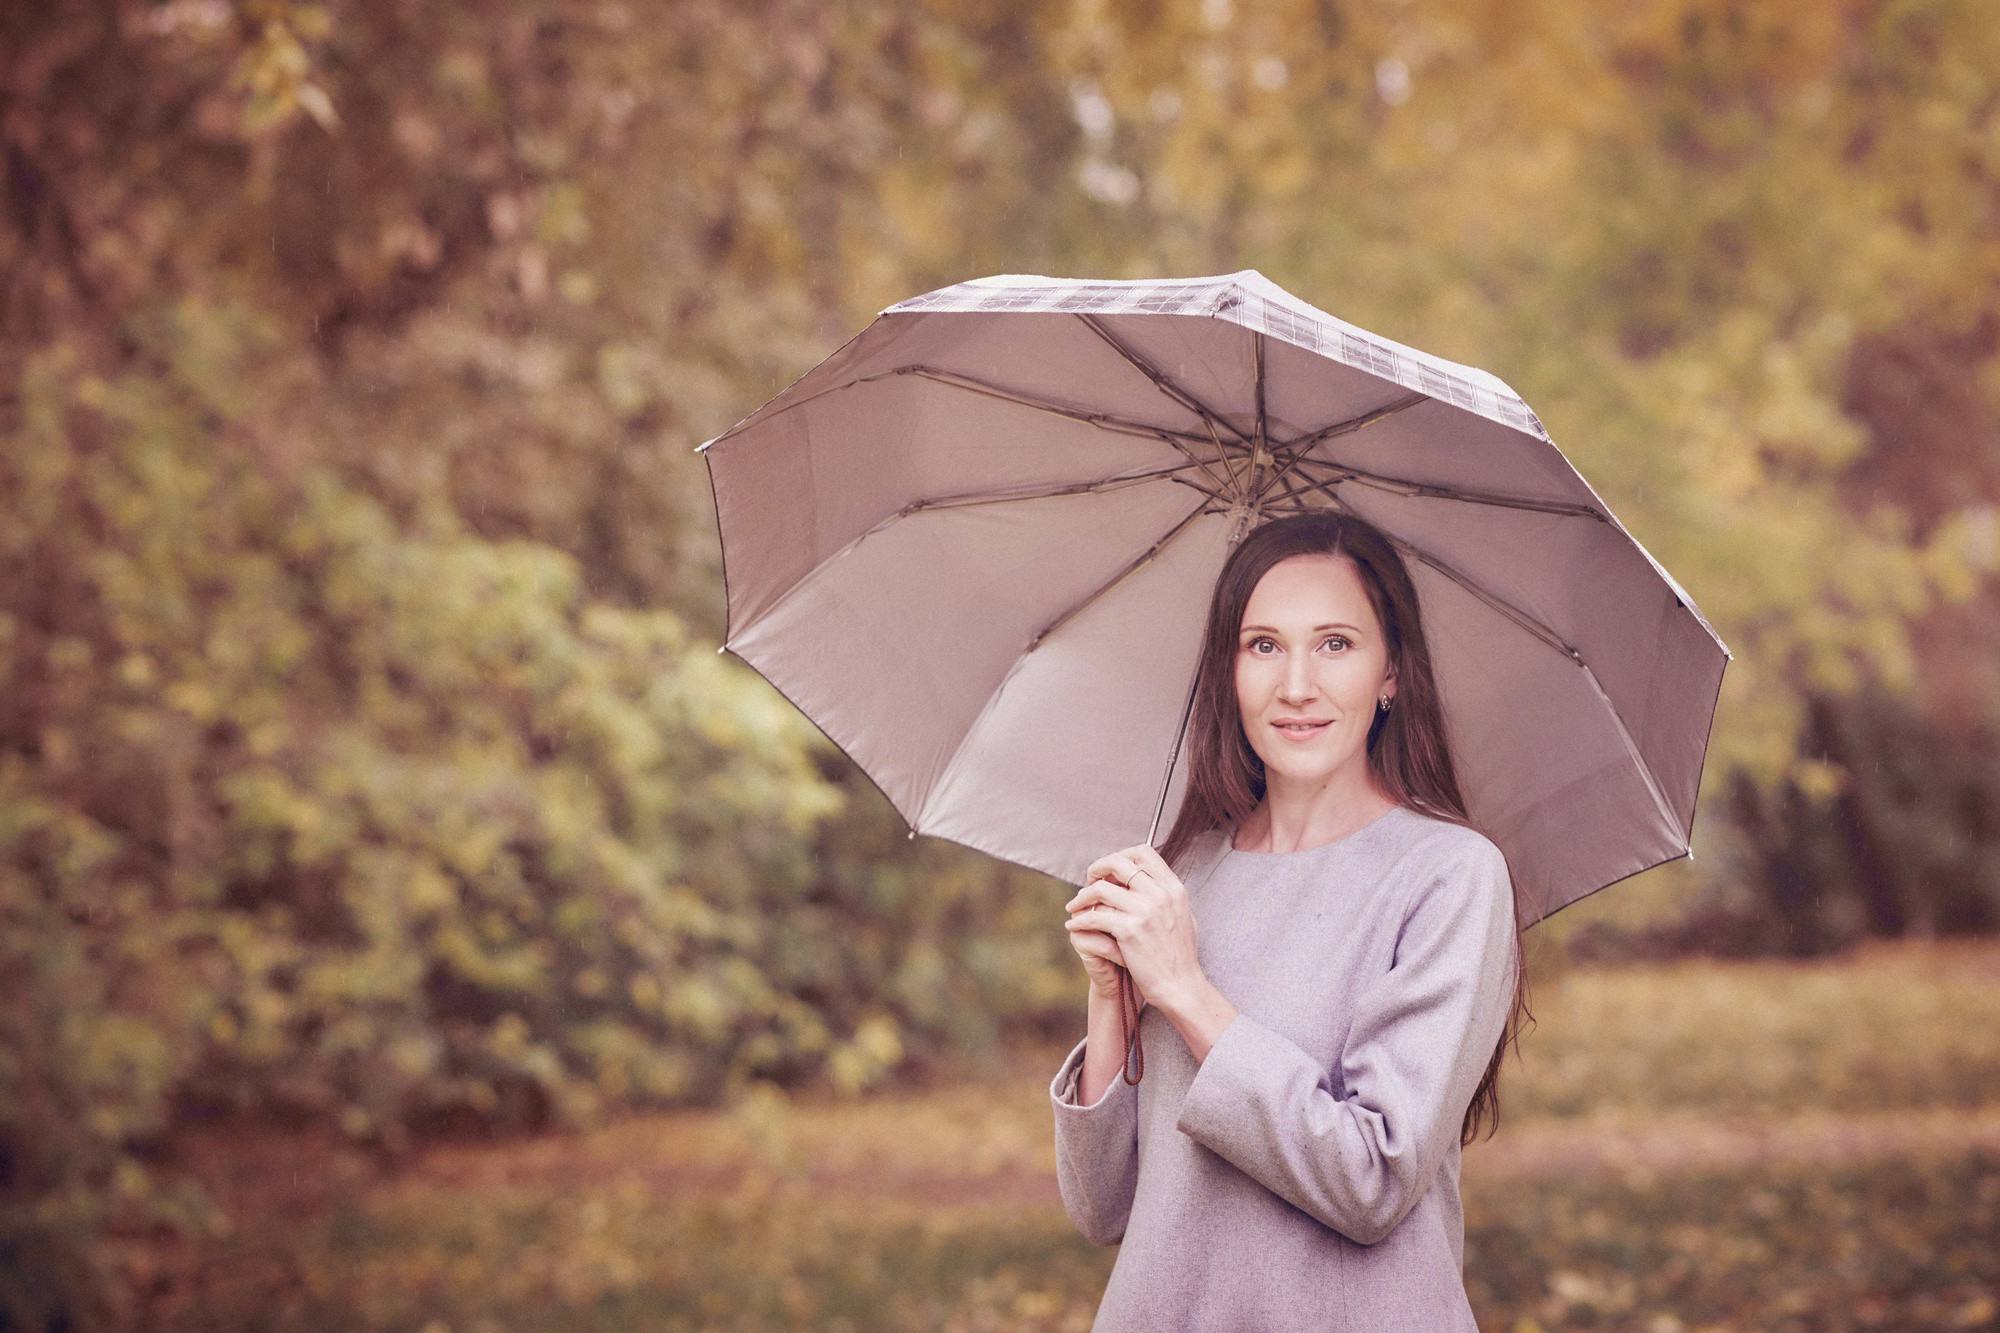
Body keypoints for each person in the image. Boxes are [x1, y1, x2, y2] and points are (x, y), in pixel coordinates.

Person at [1051, 510, 1528, 1331]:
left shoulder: (1449, 876)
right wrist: (1111, 1000)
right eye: (1263, 644)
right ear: (1229, 671)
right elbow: (1106, 1207)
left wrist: (1187, 992)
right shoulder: (1186, 874)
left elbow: (1372, 1178)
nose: (1296, 685)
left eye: (1336, 643)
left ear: (1392, 673)